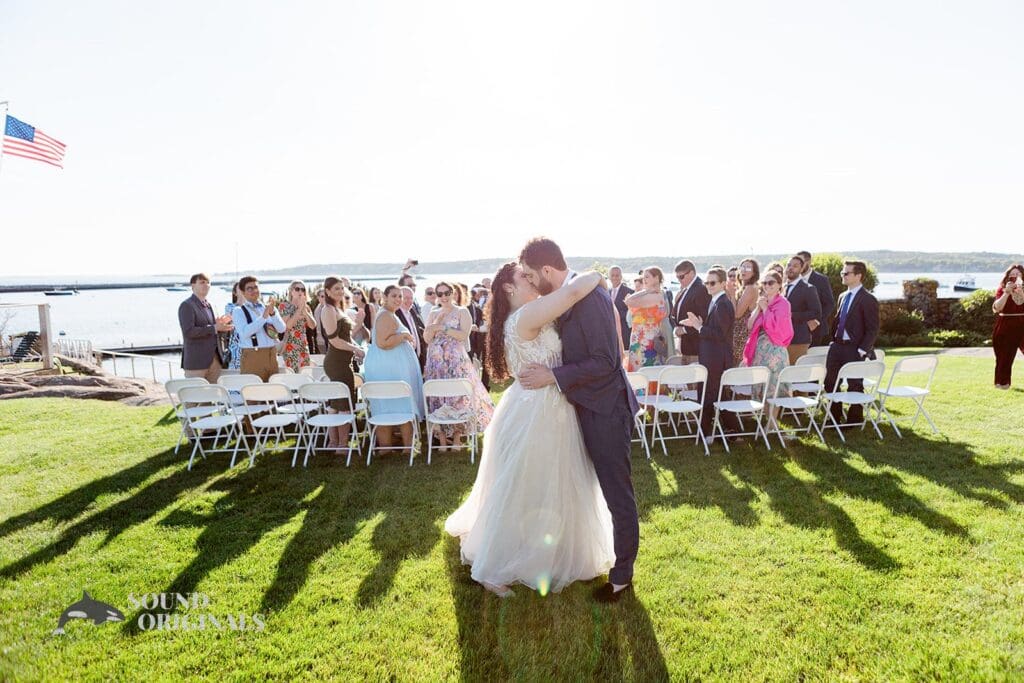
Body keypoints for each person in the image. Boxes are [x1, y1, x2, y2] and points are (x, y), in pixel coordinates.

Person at [446, 261, 614, 598]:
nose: (532, 280)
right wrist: (598, 275)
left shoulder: (525, 314)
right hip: (538, 410)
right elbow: (575, 290)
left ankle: (553, 552)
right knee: (526, 484)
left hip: (546, 403)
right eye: (524, 276)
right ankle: (493, 568)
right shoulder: (526, 315)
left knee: (548, 482)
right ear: (508, 287)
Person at [515, 237, 640, 604]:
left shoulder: (590, 299)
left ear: (547, 271)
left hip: (607, 410)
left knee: (618, 493)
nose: (530, 281)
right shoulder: (572, 293)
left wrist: (553, 376)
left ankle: (622, 577)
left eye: (529, 275)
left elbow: (606, 361)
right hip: (583, 407)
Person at [423, 281, 495, 450]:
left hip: (456, 361)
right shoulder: (433, 312)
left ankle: (457, 438)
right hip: (436, 363)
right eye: (439, 294)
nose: (443, 297)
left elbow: (463, 335)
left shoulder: (462, 311)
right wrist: (435, 324)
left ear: (453, 293)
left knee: (458, 398)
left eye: (446, 292)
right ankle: (441, 439)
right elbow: (427, 339)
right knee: (437, 397)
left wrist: (443, 327)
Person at [363, 285, 425, 451]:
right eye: (394, 296)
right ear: (385, 297)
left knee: (388, 403)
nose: (399, 299)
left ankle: (389, 447)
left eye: (400, 296)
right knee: (401, 402)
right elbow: (383, 343)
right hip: (389, 368)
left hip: (389, 366)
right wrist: (404, 336)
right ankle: (404, 447)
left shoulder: (389, 314)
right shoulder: (386, 316)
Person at [682, 266, 739, 438]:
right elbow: (715, 329)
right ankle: (733, 430)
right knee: (719, 394)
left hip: (716, 358)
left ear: (723, 283)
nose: (708, 286)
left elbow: (719, 335)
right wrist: (699, 324)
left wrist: (699, 327)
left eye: (712, 282)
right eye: (706, 282)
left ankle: (705, 432)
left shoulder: (722, 304)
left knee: (708, 394)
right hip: (712, 356)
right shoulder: (716, 301)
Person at [825, 261, 879, 426]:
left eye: (846, 273)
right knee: (830, 383)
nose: (843, 275)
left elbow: (872, 328)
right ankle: (834, 417)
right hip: (837, 346)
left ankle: (855, 420)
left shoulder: (868, 299)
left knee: (855, 384)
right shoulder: (843, 296)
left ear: (858, 276)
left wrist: (862, 350)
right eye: (843, 272)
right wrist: (833, 342)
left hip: (854, 349)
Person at [319, 277, 365, 450]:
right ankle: (341, 444)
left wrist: (359, 324)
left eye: (342, 288)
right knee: (343, 403)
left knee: (336, 402)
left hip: (344, 361)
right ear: (328, 291)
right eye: (336, 288)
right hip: (337, 362)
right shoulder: (328, 309)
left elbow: (346, 335)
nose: (340, 291)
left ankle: (335, 443)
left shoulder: (338, 308)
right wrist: (356, 349)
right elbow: (334, 341)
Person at [743, 270, 793, 401]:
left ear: (779, 285)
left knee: (774, 388)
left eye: (771, 282)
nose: (767, 285)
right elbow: (749, 325)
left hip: (775, 350)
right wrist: (759, 308)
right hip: (759, 350)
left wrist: (765, 309)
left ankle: (772, 421)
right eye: (764, 282)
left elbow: (776, 329)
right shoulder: (762, 301)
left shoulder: (784, 304)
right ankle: (764, 419)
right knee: (761, 386)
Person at [178, 273, 233, 382]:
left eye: (208, 283)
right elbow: (189, 331)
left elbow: (214, 329)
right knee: (197, 397)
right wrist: (214, 328)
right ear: (193, 286)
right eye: (202, 282)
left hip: (215, 361)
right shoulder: (187, 305)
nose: (206, 285)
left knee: (215, 396)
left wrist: (222, 326)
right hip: (196, 362)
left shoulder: (211, 305)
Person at [231, 276, 287, 382]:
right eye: (249, 288)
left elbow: (281, 329)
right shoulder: (238, 311)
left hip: (271, 353)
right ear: (243, 292)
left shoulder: (269, 308)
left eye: (256, 287)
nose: (254, 291)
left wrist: (273, 314)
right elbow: (244, 333)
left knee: (272, 391)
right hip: (253, 355)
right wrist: (263, 318)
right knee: (253, 393)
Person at [624, 266, 671, 371]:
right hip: (642, 338)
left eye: (647, 277)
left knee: (644, 370)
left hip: (645, 340)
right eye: (643, 277)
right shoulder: (654, 294)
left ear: (656, 278)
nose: (643, 280)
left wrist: (646, 290)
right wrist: (647, 290)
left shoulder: (655, 296)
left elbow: (629, 300)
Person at [784, 255, 822, 365]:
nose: (791, 268)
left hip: (798, 339)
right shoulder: (782, 287)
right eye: (789, 265)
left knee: (795, 375)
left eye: (795, 266)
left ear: (801, 269)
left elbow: (816, 312)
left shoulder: (808, 288)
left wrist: (791, 315)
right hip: (781, 338)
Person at [671, 260, 710, 364]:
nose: (679, 280)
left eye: (681, 277)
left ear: (692, 273)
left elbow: (703, 318)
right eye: (677, 277)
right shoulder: (687, 289)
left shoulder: (701, 289)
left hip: (696, 347)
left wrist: (684, 329)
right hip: (687, 345)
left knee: (694, 379)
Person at [992, 263, 1024, 389]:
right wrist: (1006, 292)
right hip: (1006, 324)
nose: (1015, 277)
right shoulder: (1002, 288)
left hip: (1022, 322)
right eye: (1012, 274)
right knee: (1004, 356)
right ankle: (1002, 383)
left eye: (1017, 274)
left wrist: (1021, 292)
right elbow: (997, 308)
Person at [277, 280, 317, 373]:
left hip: (303, 345)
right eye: (297, 289)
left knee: (304, 373)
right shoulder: (284, 306)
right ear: (291, 291)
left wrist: (305, 311)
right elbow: (287, 326)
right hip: (290, 345)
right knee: (291, 374)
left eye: (303, 290)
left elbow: (313, 325)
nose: (300, 292)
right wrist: (299, 310)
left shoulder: (306, 307)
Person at [797, 251, 836, 346]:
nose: (799, 265)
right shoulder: (793, 280)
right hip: (797, 330)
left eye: (801, 262)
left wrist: (817, 321)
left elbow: (829, 303)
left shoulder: (822, 280)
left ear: (809, 261)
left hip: (816, 330)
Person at [731, 259, 760, 365]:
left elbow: (737, 314)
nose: (744, 270)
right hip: (738, 334)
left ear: (754, 273)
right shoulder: (743, 288)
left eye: (748, 268)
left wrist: (732, 294)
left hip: (742, 335)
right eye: (742, 267)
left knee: (738, 369)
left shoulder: (750, 288)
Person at [396, 286, 426, 370]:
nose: (409, 301)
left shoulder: (412, 310)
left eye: (411, 298)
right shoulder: (395, 314)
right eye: (406, 298)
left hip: (418, 359)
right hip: (404, 362)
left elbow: (420, 331)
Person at [608, 266, 633, 351]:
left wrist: (614, 314)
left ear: (621, 277)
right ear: (609, 276)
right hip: (610, 331)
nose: (615, 277)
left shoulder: (629, 292)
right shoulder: (606, 292)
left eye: (617, 275)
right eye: (612, 275)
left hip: (624, 331)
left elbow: (631, 312)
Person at [223, 281, 244, 370]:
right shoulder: (230, 307)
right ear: (235, 293)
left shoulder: (255, 307)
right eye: (241, 287)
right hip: (236, 349)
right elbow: (239, 316)